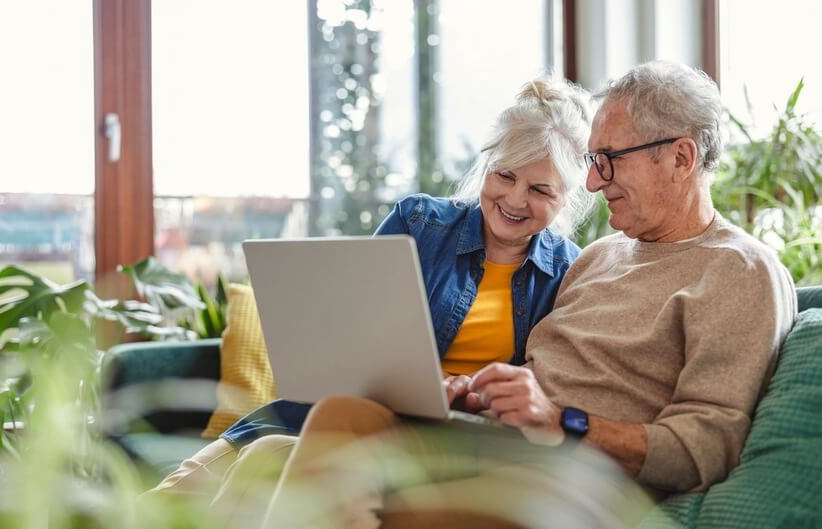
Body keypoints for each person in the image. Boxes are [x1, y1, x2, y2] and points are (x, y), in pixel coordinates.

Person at [231, 61, 797, 529]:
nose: (594, 184)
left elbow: (705, 446)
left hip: (580, 477)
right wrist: (482, 392)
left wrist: (563, 421)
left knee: (343, 492)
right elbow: (537, 369)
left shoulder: (740, 271)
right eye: (592, 162)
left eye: (608, 160)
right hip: (494, 440)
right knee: (341, 417)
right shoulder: (601, 257)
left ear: (680, 157)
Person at [146, 76, 597, 514]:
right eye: (505, 175)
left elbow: (545, 391)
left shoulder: (569, 272)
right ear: (486, 166)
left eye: (539, 189)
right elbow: (349, 335)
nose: (515, 199)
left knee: (262, 460)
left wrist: (475, 395)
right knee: (175, 495)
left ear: (567, 199)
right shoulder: (419, 223)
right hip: (341, 411)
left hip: (444, 438)